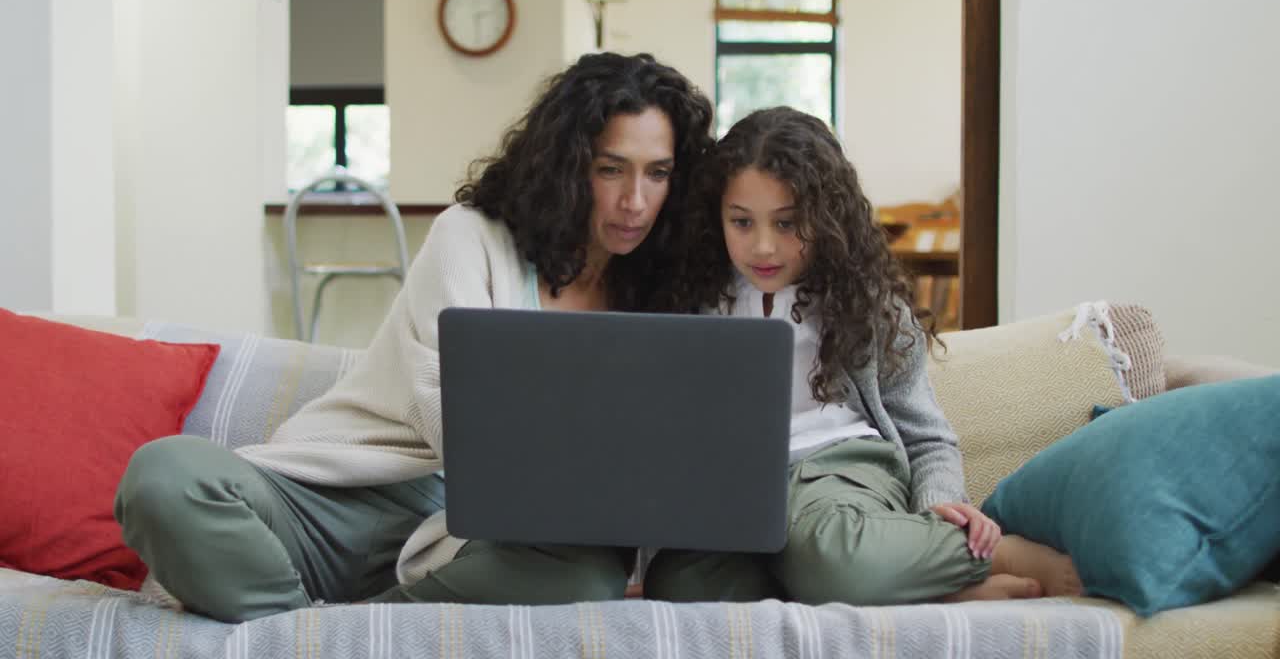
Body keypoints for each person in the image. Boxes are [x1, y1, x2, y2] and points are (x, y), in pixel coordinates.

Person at [114, 52, 715, 622]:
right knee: (164, 478)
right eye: (610, 168)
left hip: (471, 542)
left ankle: (332, 634)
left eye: (657, 174)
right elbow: (447, 408)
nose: (635, 201)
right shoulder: (472, 236)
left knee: (586, 580)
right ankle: (318, 632)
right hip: (336, 499)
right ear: (566, 165)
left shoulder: (669, 293)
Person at [645, 106, 1081, 604]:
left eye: (787, 224)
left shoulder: (865, 303)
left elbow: (928, 436)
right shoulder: (697, 301)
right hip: (737, 495)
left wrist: (937, 506)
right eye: (741, 222)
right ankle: (922, 587)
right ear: (716, 216)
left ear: (826, 218)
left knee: (833, 555)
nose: (763, 246)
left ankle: (991, 555)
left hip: (837, 476)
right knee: (681, 585)